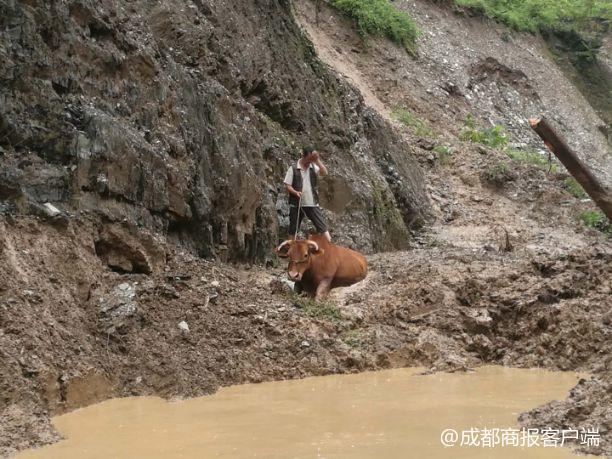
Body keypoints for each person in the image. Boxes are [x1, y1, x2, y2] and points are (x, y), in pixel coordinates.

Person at [283, 146, 331, 242]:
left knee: (323, 228)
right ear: (303, 156)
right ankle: (291, 252)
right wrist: (295, 192)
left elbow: (324, 173)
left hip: (312, 203)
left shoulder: (313, 166)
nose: (309, 162)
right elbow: (287, 186)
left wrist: (317, 161)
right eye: (308, 159)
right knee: (293, 230)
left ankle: (328, 250)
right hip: (297, 204)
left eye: (311, 160)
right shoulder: (293, 169)